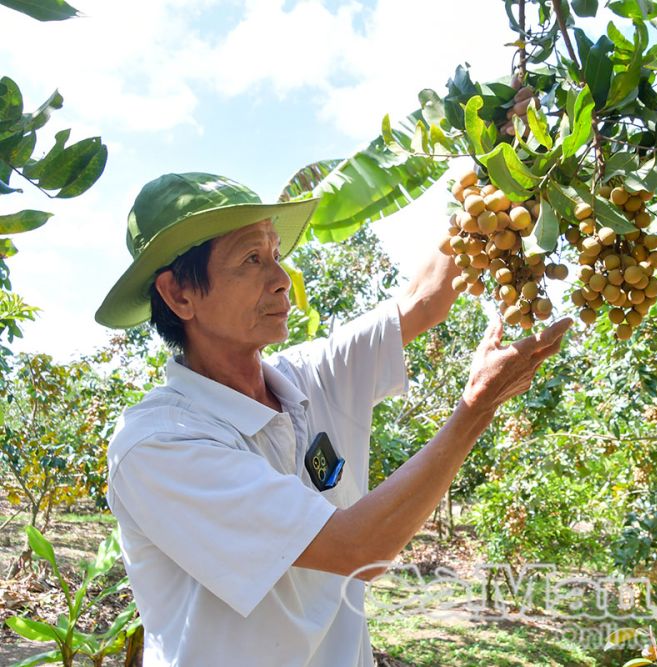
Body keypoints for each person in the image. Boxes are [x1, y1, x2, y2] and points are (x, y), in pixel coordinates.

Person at [95, 172, 571, 666]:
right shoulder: (159, 444)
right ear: (179, 296)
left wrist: (502, 168)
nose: (280, 279)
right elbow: (356, 548)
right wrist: (477, 407)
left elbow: (422, 300)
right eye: (251, 259)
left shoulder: (306, 377)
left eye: (275, 254)